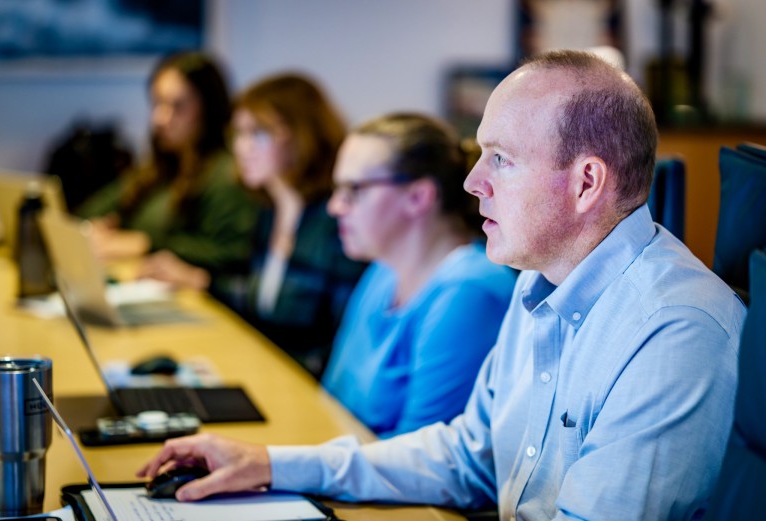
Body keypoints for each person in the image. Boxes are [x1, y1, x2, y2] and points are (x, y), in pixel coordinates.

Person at [137, 50, 746, 520]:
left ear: (587, 183)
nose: (473, 181)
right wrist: (268, 463)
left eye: (501, 159)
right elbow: (467, 456)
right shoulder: (538, 284)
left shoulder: (675, 330)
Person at [139, 73, 366, 377]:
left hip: (305, 391)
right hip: (270, 376)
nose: (242, 148)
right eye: (239, 134)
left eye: (257, 133)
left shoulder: (336, 223)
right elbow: (267, 312)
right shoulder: (269, 211)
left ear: (302, 134)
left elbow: (339, 345)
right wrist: (201, 281)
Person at [321, 113, 516, 437]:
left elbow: (417, 468)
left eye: (353, 189)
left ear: (418, 196)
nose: (335, 206)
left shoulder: (469, 293)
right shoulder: (383, 270)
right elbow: (329, 401)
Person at [77, 51, 258, 272]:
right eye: (156, 103)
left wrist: (146, 244)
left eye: (177, 105)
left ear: (209, 107)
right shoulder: (158, 170)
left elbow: (230, 253)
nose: (160, 119)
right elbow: (90, 212)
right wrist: (94, 228)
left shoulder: (226, 175)